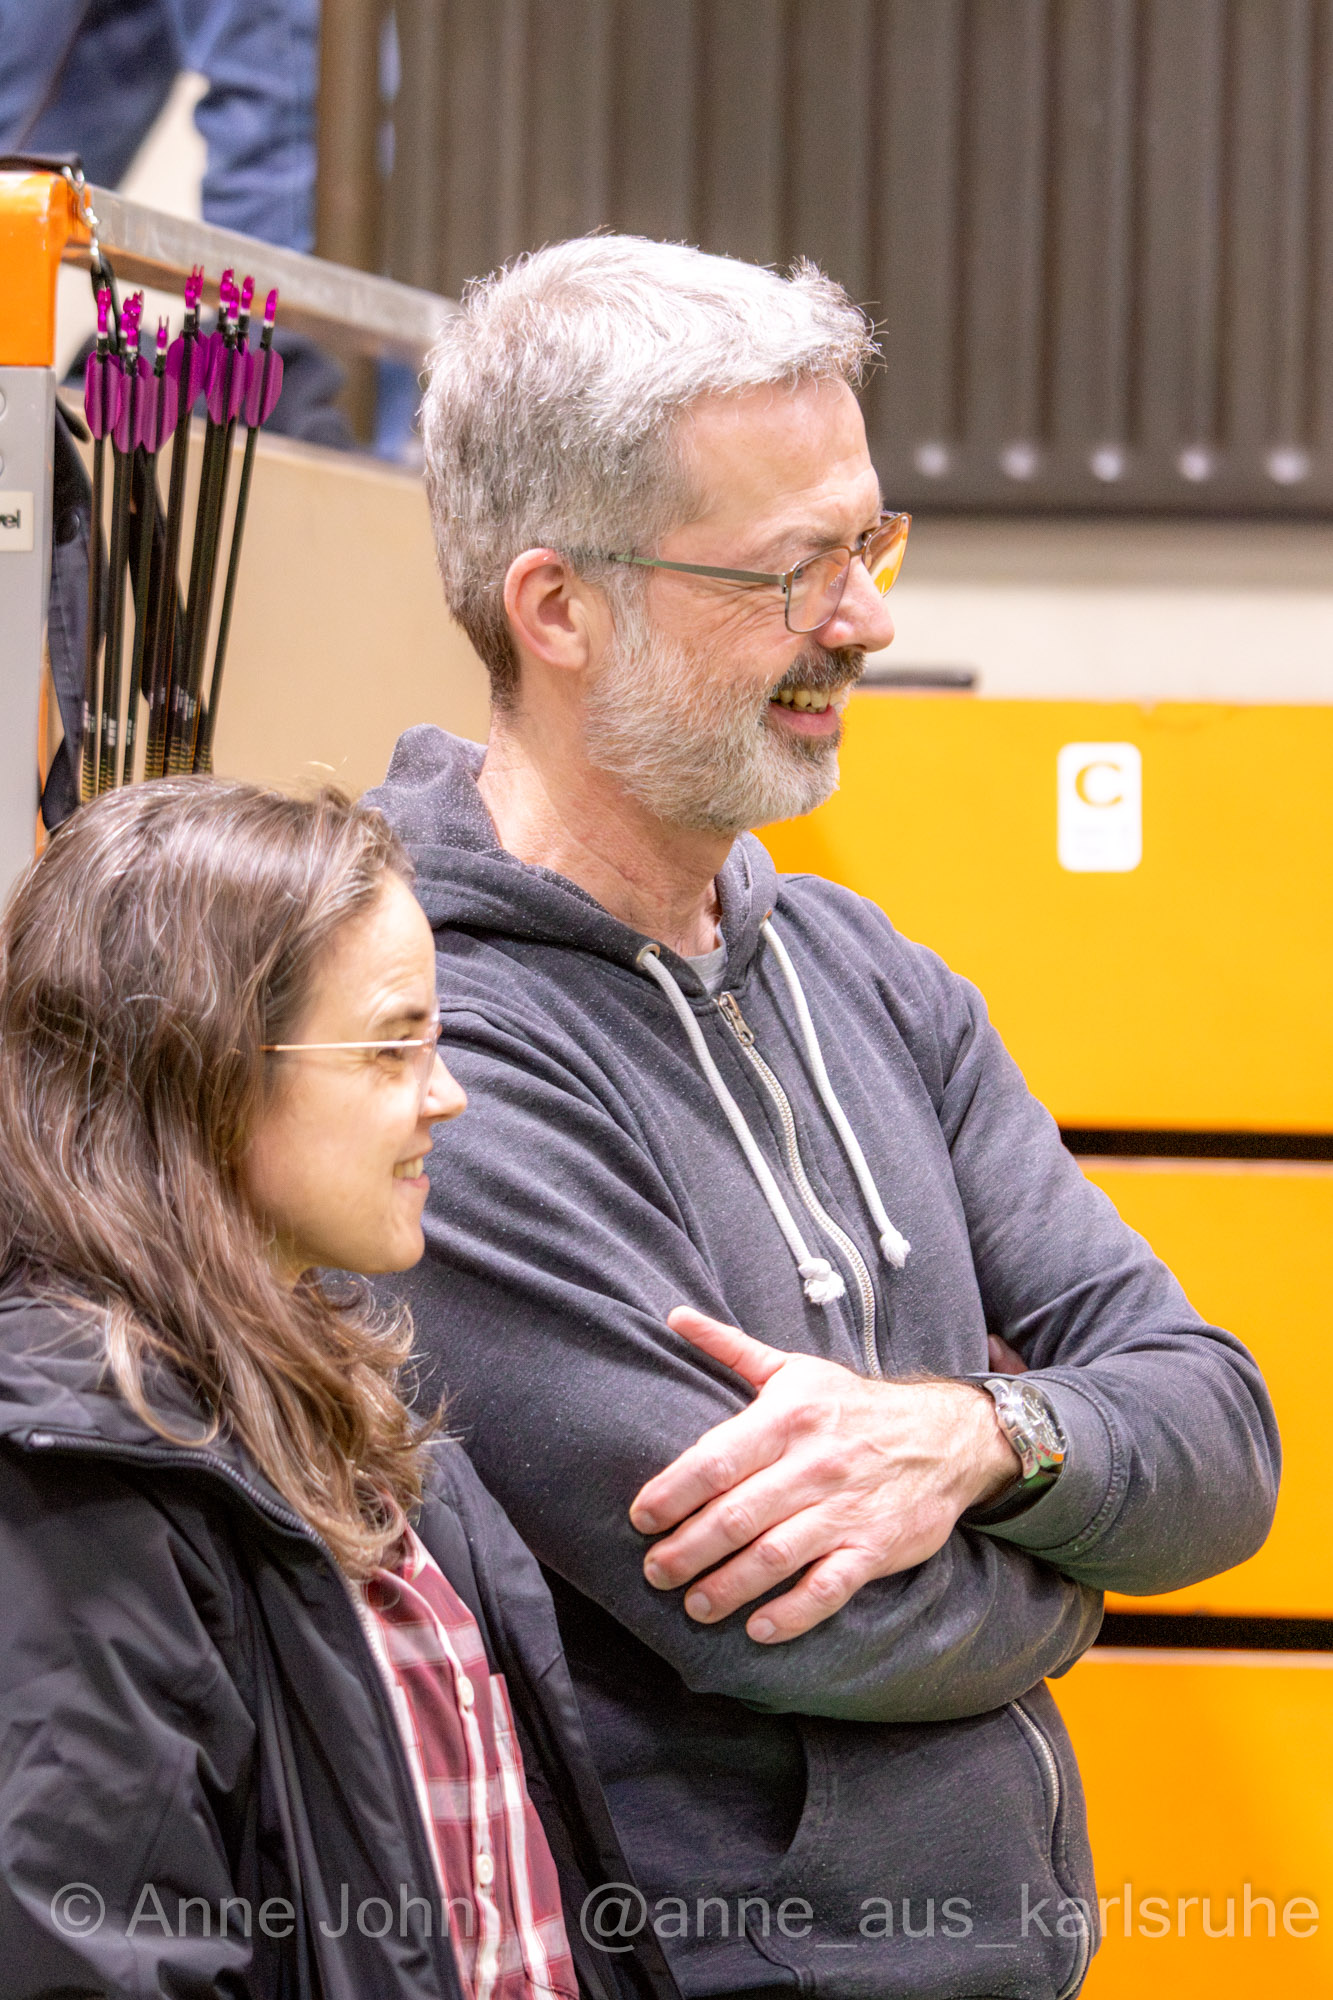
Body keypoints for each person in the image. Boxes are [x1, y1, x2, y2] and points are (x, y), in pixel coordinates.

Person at [366, 236, 1281, 1999]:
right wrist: (1075, 1559)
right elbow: (810, 1622)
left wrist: (977, 1440)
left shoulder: (866, 975)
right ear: (558, 610)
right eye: (794, 570)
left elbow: (1220, 1435)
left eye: (868, 545)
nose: (864, 621)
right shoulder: (431, 1043)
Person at [0, 777, 678, 2000]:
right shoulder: (76, 1474)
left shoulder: (355, 1417)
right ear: (200, 1067)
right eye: (389, 1046)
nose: (444, 1093)